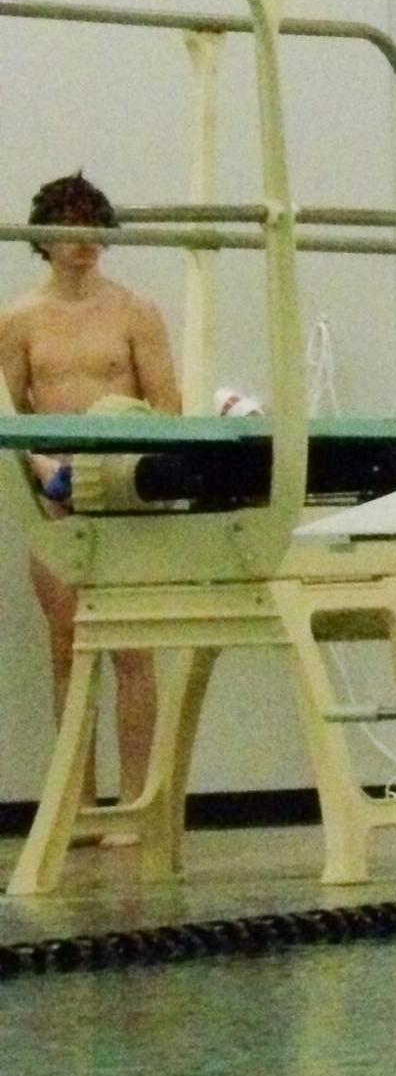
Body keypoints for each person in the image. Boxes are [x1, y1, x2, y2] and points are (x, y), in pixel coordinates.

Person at [0, 172, 180, 827]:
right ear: (44, 236)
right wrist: (49, 470)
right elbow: (9, 417)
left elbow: (167, 407)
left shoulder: (135, 312)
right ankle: (77, 803)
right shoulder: (19, 320)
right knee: (69, 649)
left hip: (123, 490)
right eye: (67, 226)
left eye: (91, 225)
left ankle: (134, 805)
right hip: (55, 497)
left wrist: (120, 466)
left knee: (133, 650)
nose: (81, 241)